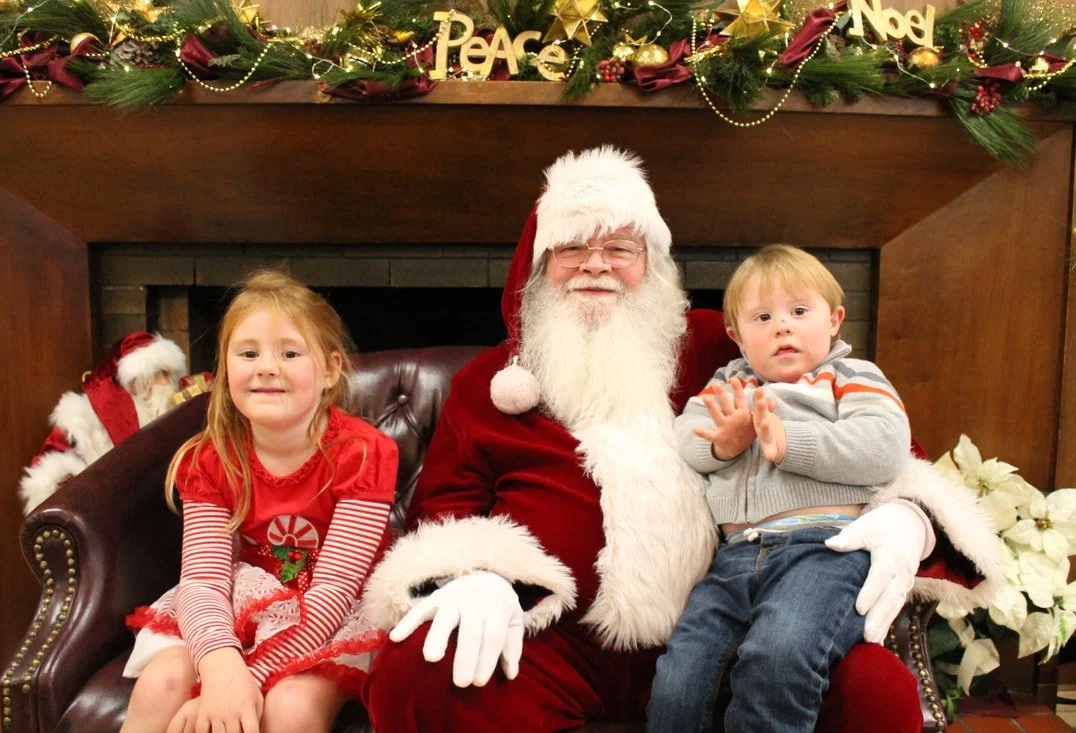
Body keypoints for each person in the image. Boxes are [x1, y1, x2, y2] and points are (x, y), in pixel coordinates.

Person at [361, 146, 1002, 731]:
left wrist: (908, 516)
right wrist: (476, 578)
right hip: (551, 645)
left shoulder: (720, 344)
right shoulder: (489, 385)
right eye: (572, 249)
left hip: (738, 631)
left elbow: (872, 428)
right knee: (414, 672)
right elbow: (438, 518)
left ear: (653, 264)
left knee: (873, 689)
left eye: (620, 247)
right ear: (536, 269)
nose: (596, 266)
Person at [647, 244, 917, 732]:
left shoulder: (849, 377)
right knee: (679, 678)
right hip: (733, 559)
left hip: (823, 551)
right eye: (763, 317)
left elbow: (884, 448)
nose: (782, 327)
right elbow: (686, 440)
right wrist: (726, 444)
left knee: (779, 654)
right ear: (737, 335)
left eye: (798, 311)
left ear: (834, 319)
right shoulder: (727, 383)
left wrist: (792, 443)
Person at [119, 270, 398, 733]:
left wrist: (245, 679)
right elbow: (204, 583)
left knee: (289, 705)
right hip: (241, 603)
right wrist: (220, 669)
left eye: (289, 353)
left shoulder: (364, 454)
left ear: (329, 370)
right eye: (248, 353)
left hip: (330, 613)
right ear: (226, 370)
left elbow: (333, 595)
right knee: (162, 683)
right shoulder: (209, 458)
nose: (267, 366)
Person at [19, 331, 188, 514]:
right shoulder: (85, 416)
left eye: (168, 373)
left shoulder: (182, 404)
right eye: (155, 374)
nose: (164, 382)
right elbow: (48, 466)